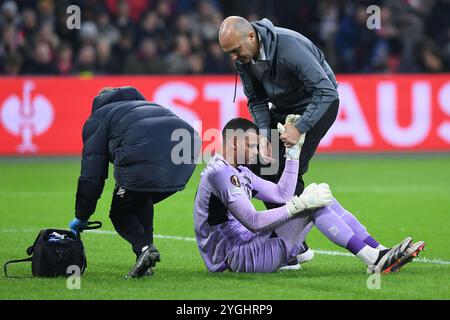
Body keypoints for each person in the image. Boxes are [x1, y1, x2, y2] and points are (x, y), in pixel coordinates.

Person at [194, 117, 425, 273]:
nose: (256, 153)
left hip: (249, 248)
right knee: (312, 204)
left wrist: (293, 154)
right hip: (235, 258)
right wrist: (298, 205)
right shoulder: (220, 173)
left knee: (322, 198)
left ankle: (379, 251)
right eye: (252, 146)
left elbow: (281, 193)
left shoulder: (239, 171)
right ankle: (373, 260)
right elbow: (254, 221)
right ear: (234, 142)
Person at [218, 15, 341, 267]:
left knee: (287, 169)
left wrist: (301, 128)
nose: (233, 58)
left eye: (235, 51)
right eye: (228, 53)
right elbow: (257, 100)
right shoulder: (246, 58)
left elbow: (326, 91)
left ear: (251, 37)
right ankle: (294, 244)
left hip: (317, 107)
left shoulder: (288, 47)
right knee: (260, 163)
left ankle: (290, 244)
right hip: (284, 109)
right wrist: (264, 135)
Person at [69, 86, 200, 278]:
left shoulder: (99, 117)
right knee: (139, 197)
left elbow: (92, 172)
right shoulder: (148, 106)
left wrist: (82, 215)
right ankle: (145, 258)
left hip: (143, 153)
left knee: (121, 212)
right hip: (186, 151)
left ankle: (145, 249)